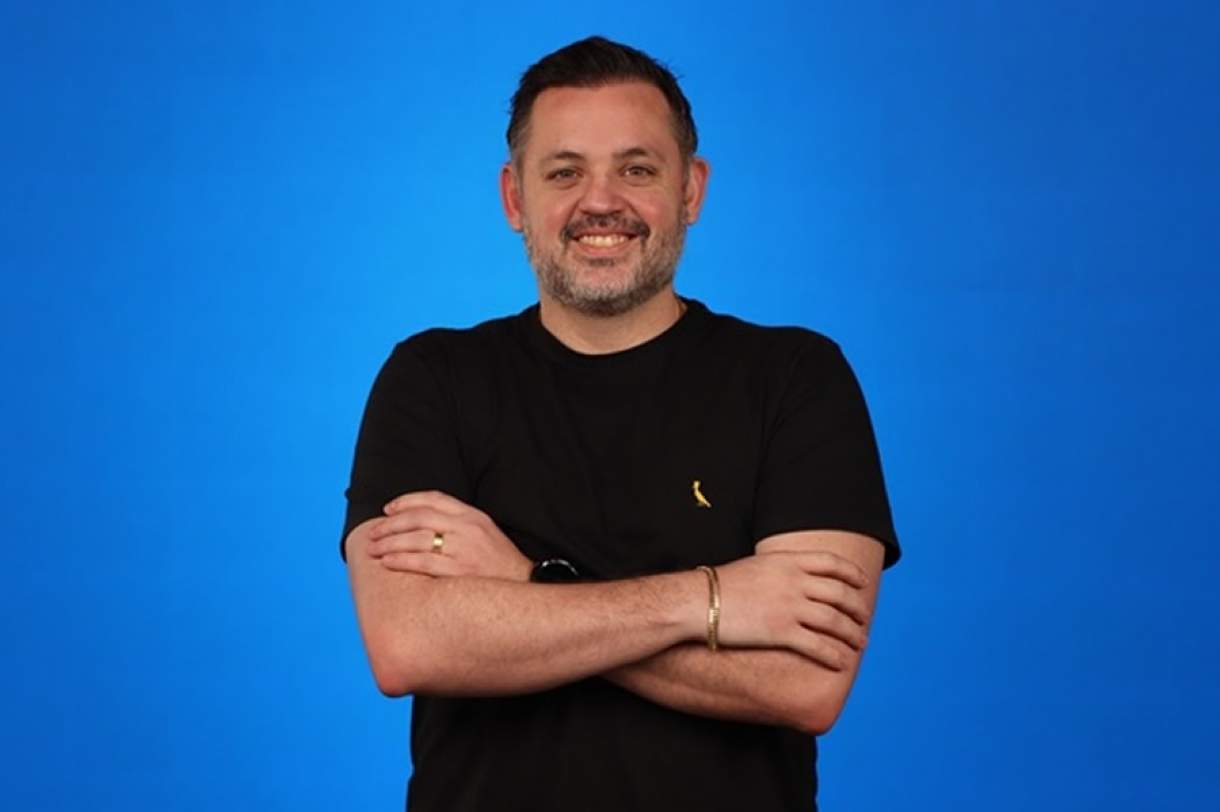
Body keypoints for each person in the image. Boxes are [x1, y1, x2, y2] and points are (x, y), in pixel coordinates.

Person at [341, 35, 900, 812]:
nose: (600, 202)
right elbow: (410, 644)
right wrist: (707, 600)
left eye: (637, 169)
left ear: (691, 190)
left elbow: (805, 683)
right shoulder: (432, 379)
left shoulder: (797, 379)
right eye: (564, 172)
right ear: (514, 198)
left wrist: (523, 586)